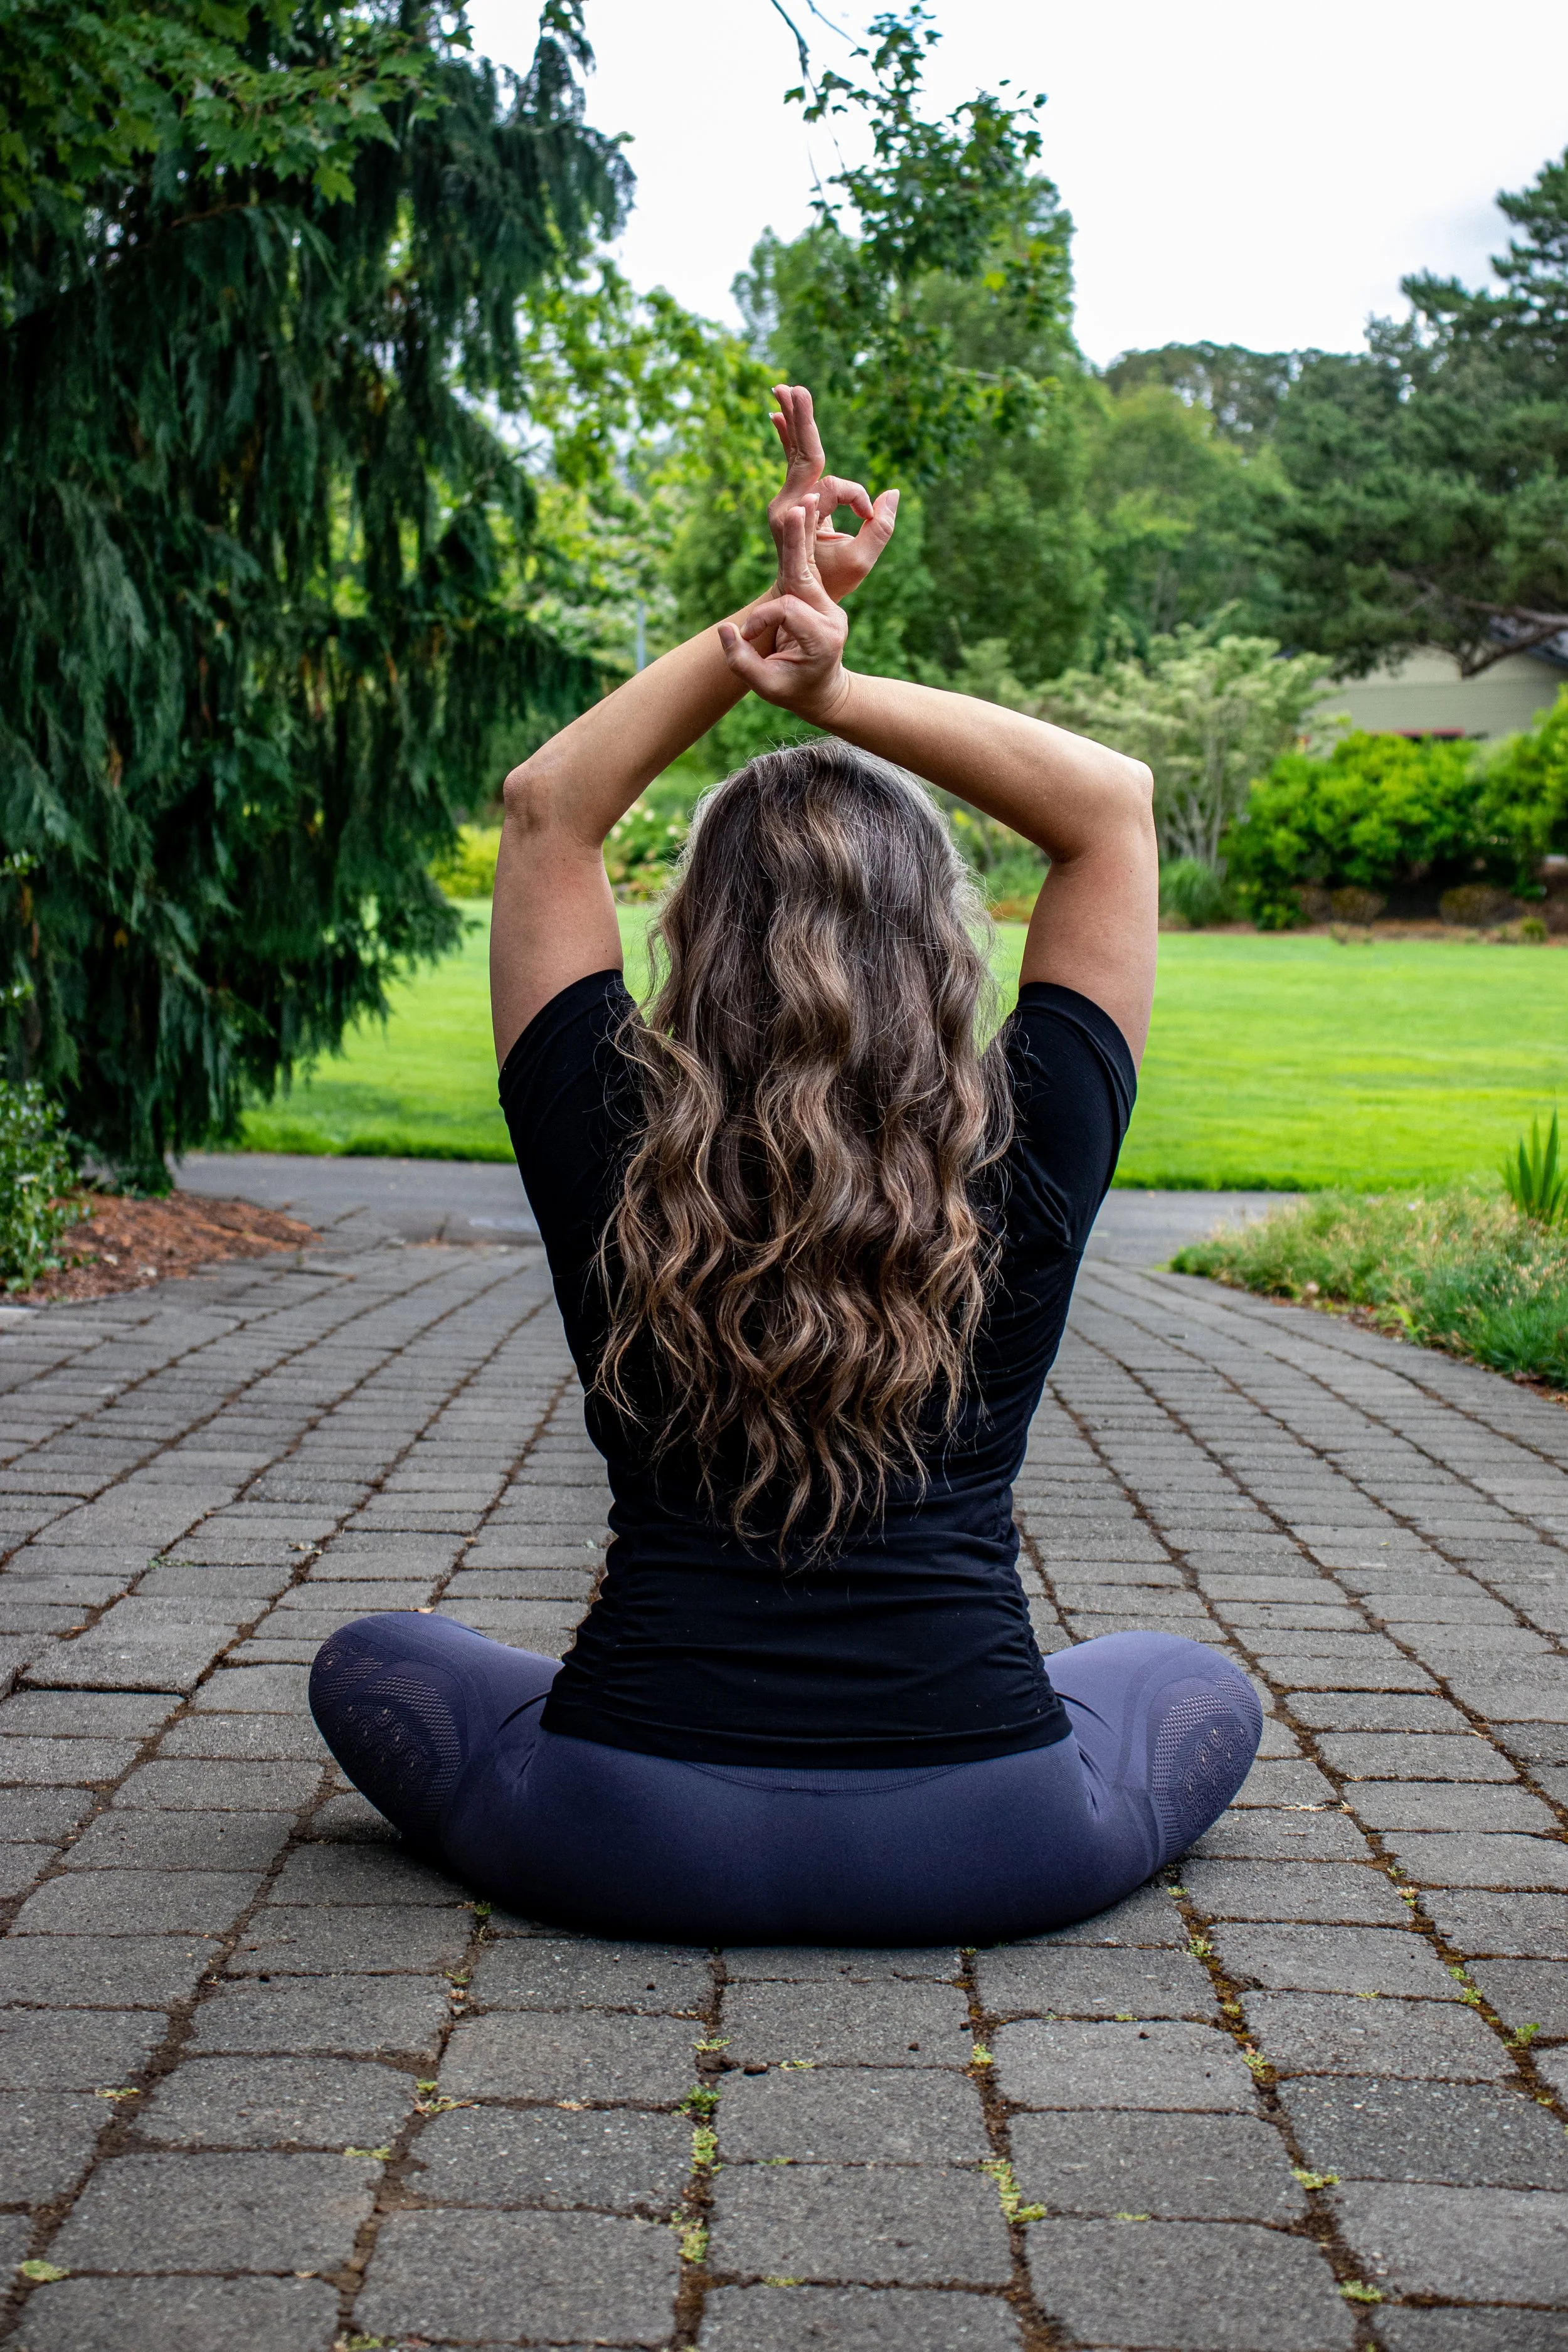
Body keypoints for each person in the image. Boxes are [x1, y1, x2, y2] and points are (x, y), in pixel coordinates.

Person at [309, 387, 1261, 1945]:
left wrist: (758, 640)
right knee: (1192, 1680)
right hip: (1000, 1833)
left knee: (369, 1660)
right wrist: (835, 689)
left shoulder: (610, 1131)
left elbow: (549, 810)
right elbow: (1109, 813)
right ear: (942, 946)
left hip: (620, 1825)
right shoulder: (1022, 1132)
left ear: (692, 941)